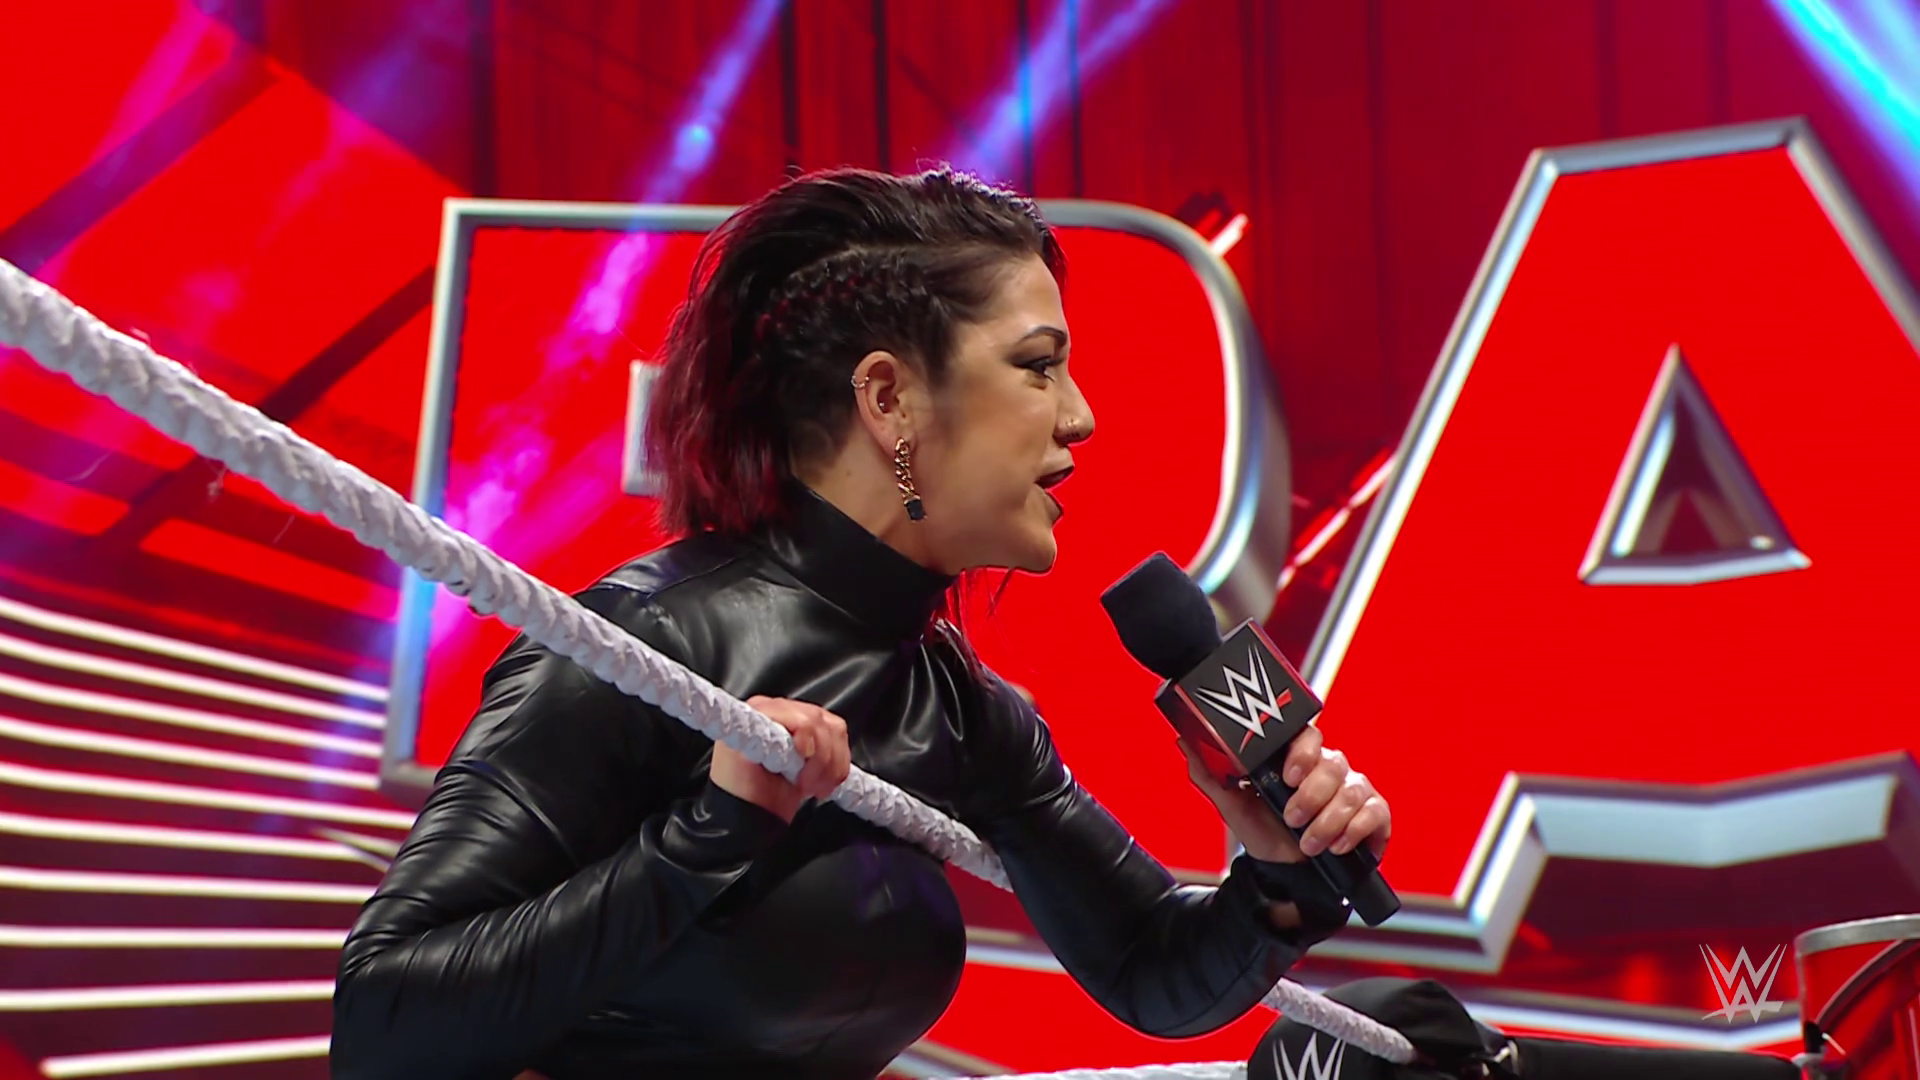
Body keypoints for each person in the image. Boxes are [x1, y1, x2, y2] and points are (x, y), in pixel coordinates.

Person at [329, 166, 1392, 1080]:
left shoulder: (958, 704)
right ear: (888, 399)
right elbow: (383, 1022)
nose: (1080, 415)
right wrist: (706, 836)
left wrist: (1280, 878)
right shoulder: (650, 645)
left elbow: (1151, 966)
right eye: (1037, 364)